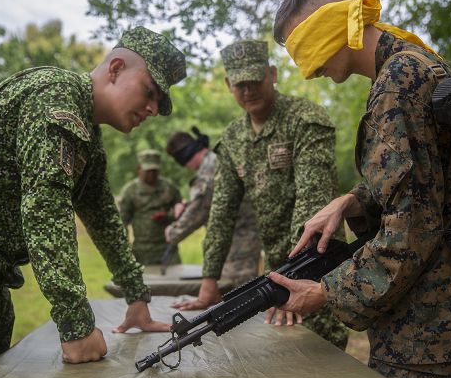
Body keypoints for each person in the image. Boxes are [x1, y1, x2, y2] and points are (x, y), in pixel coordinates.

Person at [269, 0, 451, 378]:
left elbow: (411, 229)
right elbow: (429, 182)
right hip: (448, 313)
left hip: (426, 333)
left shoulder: (397, 82)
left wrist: (325, 292)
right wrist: (350, 200)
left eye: (304, 48)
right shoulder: (417, 61)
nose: (306, 68)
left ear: (332, 26)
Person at [0, 26, 186, 378]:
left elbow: (104, 220)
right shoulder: (55, 95)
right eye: (149, 92)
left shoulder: (89, 140)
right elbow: (45, 209)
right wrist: (76, 325)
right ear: (115, 69)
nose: (152, 109)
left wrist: (137, 297)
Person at [185, 39, 350, 349]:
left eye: (254, 80)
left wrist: (291, 279)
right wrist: (209, 280)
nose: (248, 91)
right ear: (228, 85)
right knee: (280, 359)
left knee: (322, 356)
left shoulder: (305, 120)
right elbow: (221, 212)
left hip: (315, 264)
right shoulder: (234, 137)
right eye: (239, 84)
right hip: (276, 273)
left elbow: (311, 203)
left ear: (272, 74)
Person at [164, 128, 261, 307]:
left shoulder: (209, 169)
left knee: (240, 298)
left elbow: (197, 211)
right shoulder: (216, 160)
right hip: (239, 238)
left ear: (185, 156)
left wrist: (172, 232)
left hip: (238, 243)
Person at [117, 149, 182, 265]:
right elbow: (122, 222)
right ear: (139, 169)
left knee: (172, 280)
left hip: (167, 247)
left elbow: (183, 213)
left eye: (154, 170)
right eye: (148, 171)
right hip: (142, 250)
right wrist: (123, 250)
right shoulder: (130, 191)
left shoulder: (169, 188)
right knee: (144, 281)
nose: (152, 174)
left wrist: (168, 216)